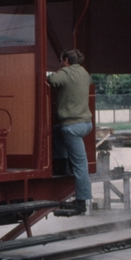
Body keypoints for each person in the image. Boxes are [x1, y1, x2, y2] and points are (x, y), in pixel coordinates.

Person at [48, 49, 93, 215]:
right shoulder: (84, 73)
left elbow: (51, 79)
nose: (61, 63)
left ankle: (81, 202)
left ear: (65, 59)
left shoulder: (65, 73)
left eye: (61, 60)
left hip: (72, 127)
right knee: (55, 132)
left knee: (81, 165)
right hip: (86, 124)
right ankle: (61, 165)